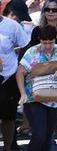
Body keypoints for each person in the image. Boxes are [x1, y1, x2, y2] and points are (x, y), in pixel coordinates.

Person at [16, 26, 57, 151]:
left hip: (55, 100)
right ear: (40, 40)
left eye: (51, 42)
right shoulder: (32, 52)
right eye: (45, 43)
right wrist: (22, 93)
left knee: (48, 136)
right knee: (39, 134)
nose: (48, 46)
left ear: (55, 40)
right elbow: (20, 72)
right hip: (33, 98)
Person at [0, 11, 32, 150]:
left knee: (9, 116)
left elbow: (25, 43)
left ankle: (7, 148)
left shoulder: (12, 26)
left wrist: (19, 64)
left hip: (9, 75)